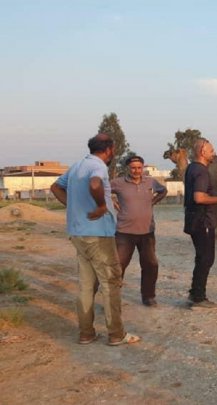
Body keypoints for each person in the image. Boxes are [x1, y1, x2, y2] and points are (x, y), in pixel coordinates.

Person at [50, 133, 140, 346]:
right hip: (98, 234)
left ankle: (86, 333)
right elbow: (94, 184)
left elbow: (55, 187)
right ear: (109, 149)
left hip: (79, 234)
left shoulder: (77, 165)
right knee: (110, 283)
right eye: (114, 149)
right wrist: (101, 206)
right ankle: (117, 334)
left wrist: (73, 207)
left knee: (86, 285)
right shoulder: (98, 167)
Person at [110, 155, 167, 307]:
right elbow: (101, 190)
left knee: (151, 265)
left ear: (143, 168)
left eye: (139, 168)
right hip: (124, 233)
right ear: (128, 168)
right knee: (118, 266)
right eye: (133, 168)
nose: (137, 171)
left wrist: (153, 202)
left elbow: (163, 191)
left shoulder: (150, 181)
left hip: (147, 232)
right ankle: (112, 299)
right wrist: (112, 202)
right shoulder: (118, 183)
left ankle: (148, 296)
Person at [183, 138, 217, 309]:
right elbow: (199, 197)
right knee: (206, 258)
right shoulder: (202, 171)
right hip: (202, 221)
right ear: (202, 152)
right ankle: (198, 297)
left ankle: (194, 292)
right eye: (211, 150)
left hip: (195, 220)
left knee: (201, 257)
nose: (214, 153)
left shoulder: (192, 168)